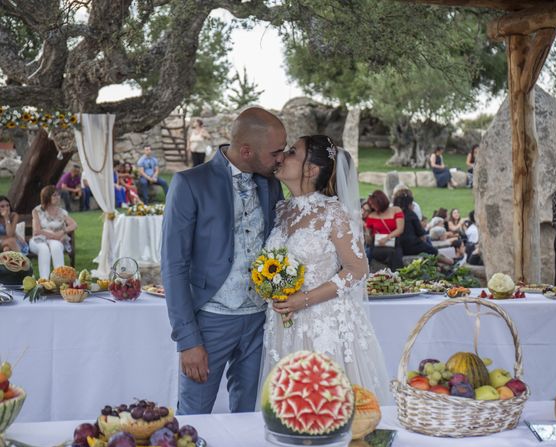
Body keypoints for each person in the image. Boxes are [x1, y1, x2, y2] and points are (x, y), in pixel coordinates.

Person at [161, 107, 286, 414]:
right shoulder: (190, 183)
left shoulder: (269, 181)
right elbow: (173, 265)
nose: (281, 158)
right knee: (194, 416)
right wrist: (188, 340)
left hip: (260, 320)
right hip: (210, 321)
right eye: (276, 152)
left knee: (251, 416)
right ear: (246, 151)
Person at [260, 135, 390, 403]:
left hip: (322, 323)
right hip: (284, 324)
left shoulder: (333, 213)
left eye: (293, 152)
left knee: (325, 403)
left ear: (311, 170)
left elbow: (357, 269)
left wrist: (303, 299)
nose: (282, 156)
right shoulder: (282, 210)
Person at [394, 190, 454, 266]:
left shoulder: (394, 214)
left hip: (398, 246)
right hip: (413, 245)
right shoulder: (411, 215)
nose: (413, 206)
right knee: (432, 251)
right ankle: (450, 262)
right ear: (408, 205)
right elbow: (421, 235)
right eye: (412, 204)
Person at [29, 186, 77, 279]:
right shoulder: (37, 211)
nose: (58, 197)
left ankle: (60, 279)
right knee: (44, 249)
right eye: (54, 195)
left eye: (58, 195)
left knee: (56, 246)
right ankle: (44, 281)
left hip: (55, 240)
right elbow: (36, 231)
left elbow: (74, 224)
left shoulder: (62, 212)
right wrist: (54, 235)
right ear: (47, 197)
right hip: (39, 239)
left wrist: (62, 232)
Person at [364, 190, 405, 271]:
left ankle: (396, 275)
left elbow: (400, 229)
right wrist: (366, 232)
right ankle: (395, 274)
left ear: (380, 202)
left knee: (396, 252)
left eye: (373, 204)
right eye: (371, 205)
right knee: (392, 253)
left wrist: (386, 238)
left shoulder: (396, 210)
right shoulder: (371, 216)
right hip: (378, 245)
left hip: (394, 242)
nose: (372, 206)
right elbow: (368, 239)